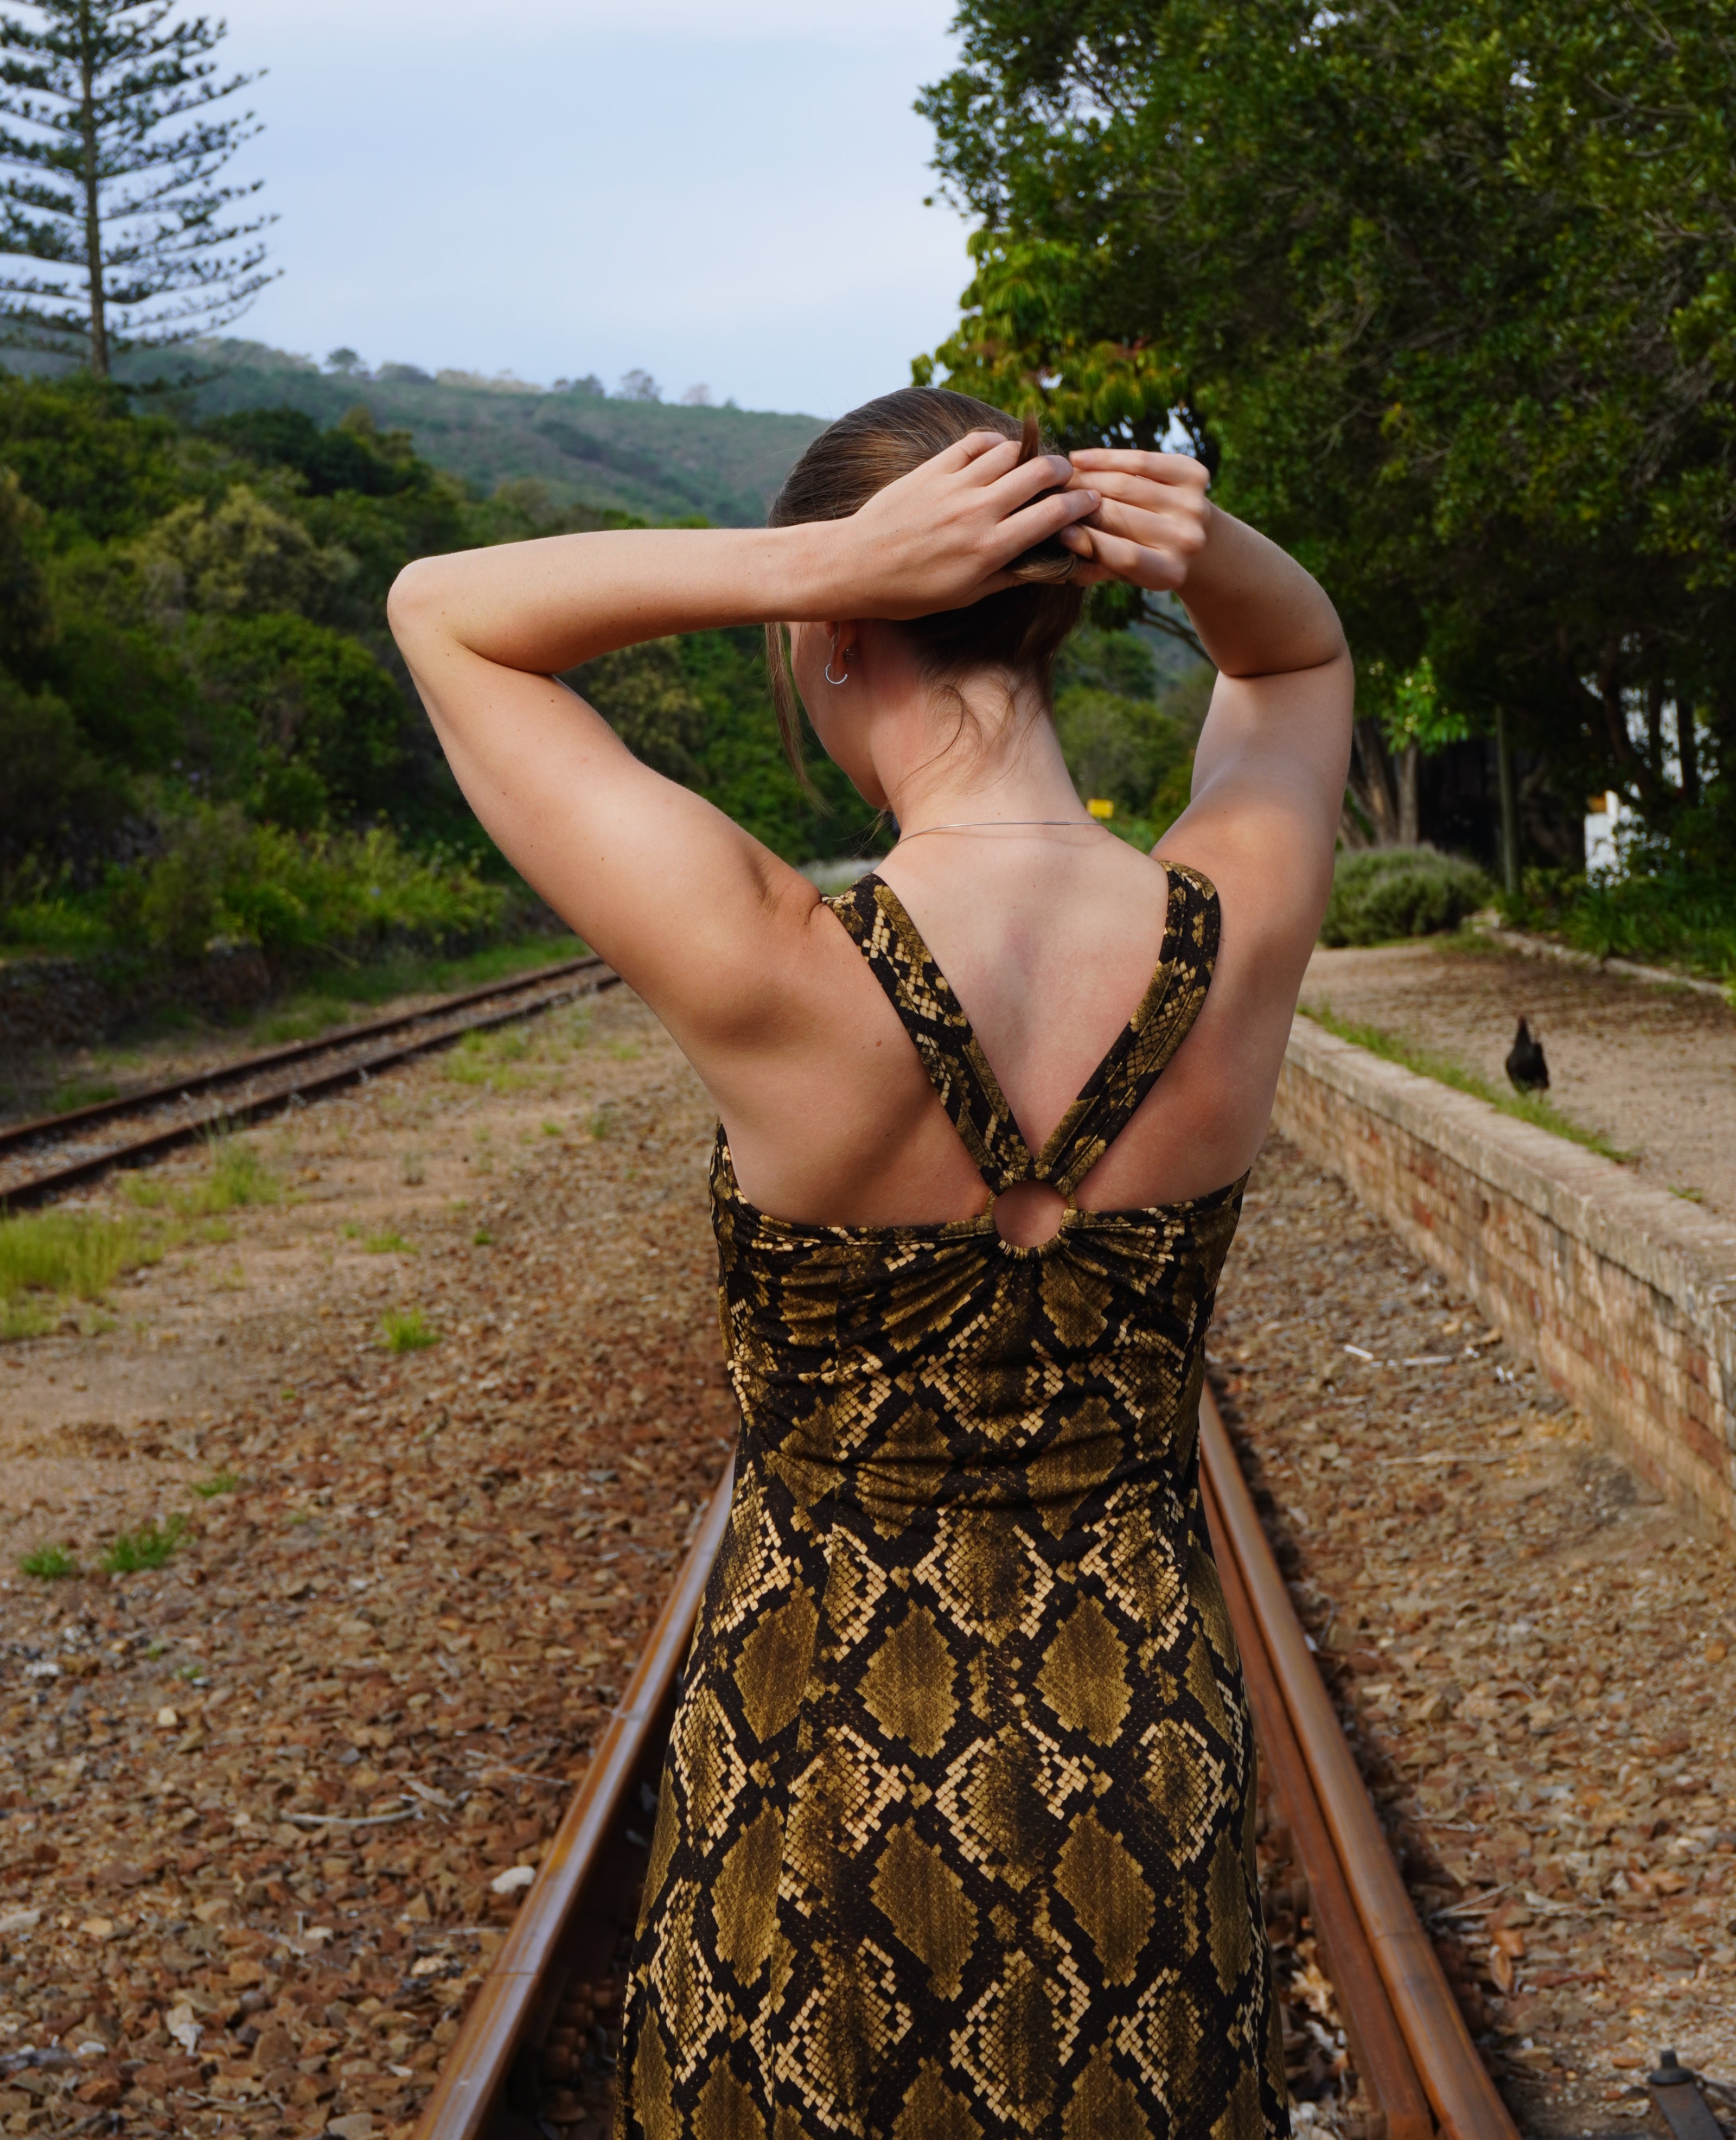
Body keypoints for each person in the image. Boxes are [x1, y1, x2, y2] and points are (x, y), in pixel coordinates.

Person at [388, 386, 1352, 2140]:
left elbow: (442, 610)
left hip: (813, 1752)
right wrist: (1191, 542)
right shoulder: (1233, 928)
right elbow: (1294, 671)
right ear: (1052, 621)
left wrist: (814, 563)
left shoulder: (773, 961)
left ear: (833, 635)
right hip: (1138, 1749)